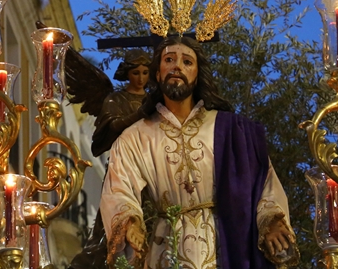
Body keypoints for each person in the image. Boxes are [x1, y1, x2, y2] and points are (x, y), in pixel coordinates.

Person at [99, 36, 298, 269]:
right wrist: (129, 223)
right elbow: (118, 189)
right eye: (169, 60)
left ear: (197, 74)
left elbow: (265, 185)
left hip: (226, 248)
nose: (177, 67)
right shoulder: (136, 137)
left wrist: (271, 220)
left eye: (187, 62)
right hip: (167, 249)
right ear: (158, 73)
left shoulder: (233, 131)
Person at [69, 49, 151, 269]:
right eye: (136, 72)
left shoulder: (156, 102)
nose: (141, 78)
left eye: (145, 72)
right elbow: (111, 126)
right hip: (121, 169)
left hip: (151, 171)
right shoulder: (116, 99)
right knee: (109, 229)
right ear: (127, 73)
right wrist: (141, 113)